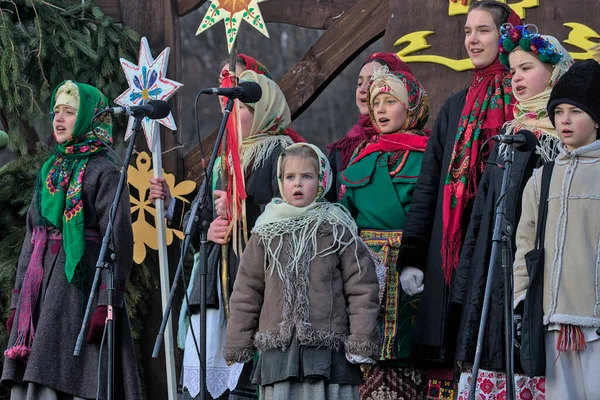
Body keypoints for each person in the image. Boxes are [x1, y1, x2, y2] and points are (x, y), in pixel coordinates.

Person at [397, 1, 521, 395]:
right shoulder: (454, 107)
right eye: (467, 31)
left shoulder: (524, 105)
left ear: (506, 36)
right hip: (451, 260)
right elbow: (429, 187)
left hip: (503, 251)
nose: (472, 40)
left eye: (483, 30)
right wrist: (413, 255)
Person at [151, 70, 297, 399]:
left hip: (255, 279)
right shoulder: (223, 160)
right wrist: (174, 206)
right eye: (230, 108)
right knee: (203, 379)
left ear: (264, 109)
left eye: (242, 108)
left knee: (244, 381)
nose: (232, 114)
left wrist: (240, 212)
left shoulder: (282, 156)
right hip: (217, 277)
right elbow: (204, 220)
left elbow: (291, 218)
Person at [452, 25, 573, 398]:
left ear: (554, 73)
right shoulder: (510, 132)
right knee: (492, 344)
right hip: (496, 266)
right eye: (513, 71)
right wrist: (469, 276)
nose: (517, 78)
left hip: (540, 268)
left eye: (527, 68)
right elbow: (485, 212)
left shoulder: (563, 138)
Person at [1, 81, 141, 399]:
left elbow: (118, 242)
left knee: (79, 379)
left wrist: (107, 302)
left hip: (80, 294)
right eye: (56, 112)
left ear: (89, 118)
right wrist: (17, 303)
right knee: (39, 379)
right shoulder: (50, 172)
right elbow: (32, 236)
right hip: (41, 297)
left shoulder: (105, 173)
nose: (59, 119)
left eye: (70, 112)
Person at [224, 143, 380, 400]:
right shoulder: (266, 232)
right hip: (280, 354)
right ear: (280, 181)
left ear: (322, 181)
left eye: (307, 176)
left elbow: (362, 286)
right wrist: (238, 342)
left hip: (327, 351)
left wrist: (361, 337)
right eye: (290, 177)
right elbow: (246, 290)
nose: (297, 184)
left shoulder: (337, 229)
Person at [338, 65, 429, 398]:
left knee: (410, 357)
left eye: (390, 101)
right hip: (367, 273)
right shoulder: (362, 159)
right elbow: (345, 221)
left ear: (411, 106)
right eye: (376, 102)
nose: (379, 109)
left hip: (413, 268)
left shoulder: (429, 158)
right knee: (368, 361)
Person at [512, 58, 600, 400]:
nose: (565, 119)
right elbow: (524, 242)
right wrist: (521, 299)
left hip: (594, 318)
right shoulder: (543, 176)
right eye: (558, 111)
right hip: (550, 318)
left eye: (576, 111)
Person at [327, 52, 414, 200]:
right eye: (359, 83)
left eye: (374, 80)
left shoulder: (418, 144)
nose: (363, 89)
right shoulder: (345, 148)